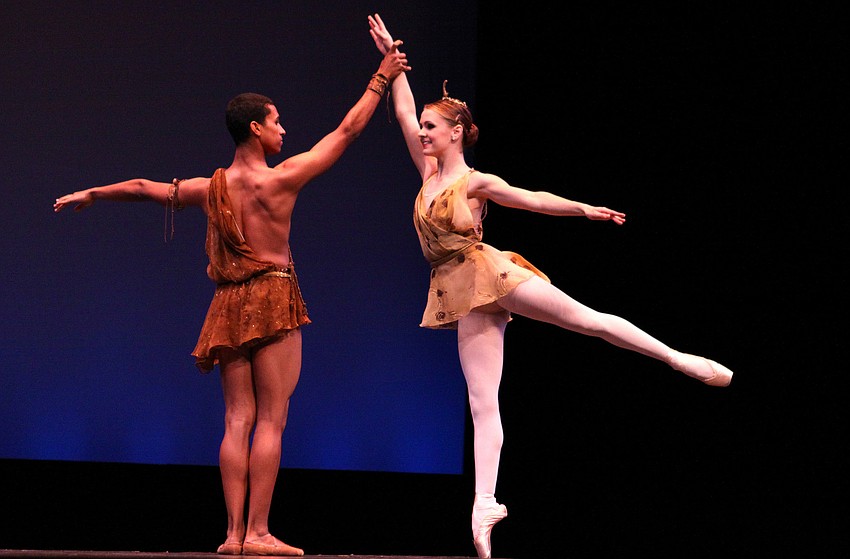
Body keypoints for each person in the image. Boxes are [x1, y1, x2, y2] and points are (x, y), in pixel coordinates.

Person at [368, 13, 733, 559]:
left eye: (431, 126)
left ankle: (678, 358)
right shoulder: (426, 174)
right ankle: (484, 504)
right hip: (458, 291)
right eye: (422, 125)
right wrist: (392, 58)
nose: (421, 130)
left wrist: (586, 209)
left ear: (456, 133)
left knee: (586, 320)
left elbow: (532, 198)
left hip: (493, 273)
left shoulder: (475, 183)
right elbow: (399, 107)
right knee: (481, 401)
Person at [54, 42, 410, 556]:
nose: (284, 130)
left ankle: (230, 536)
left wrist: (92, 193)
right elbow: (348, 132)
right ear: (255, 130)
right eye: (277, 121)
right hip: (272, 295)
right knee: (271, 418)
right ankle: (259, 533)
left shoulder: (210, 188)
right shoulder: (282, 179)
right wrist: (381, 75)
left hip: (226, 304)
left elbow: (140, 186)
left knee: (236, 419)